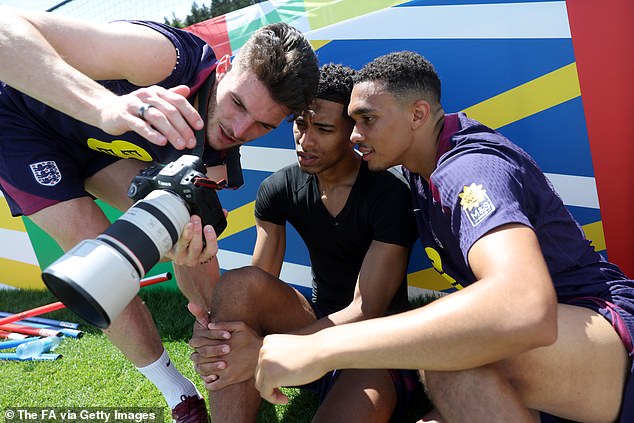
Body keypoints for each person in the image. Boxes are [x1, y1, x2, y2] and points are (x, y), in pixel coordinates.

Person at [253, 51, 634, 423]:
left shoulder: (466, 169)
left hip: (603, 331)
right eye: (352, 121)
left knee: (453, 359)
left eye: (367, 119)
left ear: (418, 114)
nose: (355, 135)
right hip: (549, 357)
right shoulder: (423, 169)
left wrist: (322, 347)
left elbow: (525, 306)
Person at [0, 6, 319, 422]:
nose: (239, 129)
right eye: (238, 103)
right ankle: (178, 395)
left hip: (96, 145)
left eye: (261, 125)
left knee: (187, 224)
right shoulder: (165, 57)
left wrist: (219, 329)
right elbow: (6, 31)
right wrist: (103, 109)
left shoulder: (221, 151)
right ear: (224, 68)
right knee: (90, 248)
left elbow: (191, 249)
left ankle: (221, 358)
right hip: (21, 117)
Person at [182, 63, 420, 422]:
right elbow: (254, 287)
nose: (305, 141)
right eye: (300, 124)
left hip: (374, 346)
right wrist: (219, 332)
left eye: (323, 129)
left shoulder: (389, 194)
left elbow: (366, 310)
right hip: (314, 325)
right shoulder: (279, 188)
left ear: (353, 132)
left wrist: (263, 348)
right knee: (237, 285)